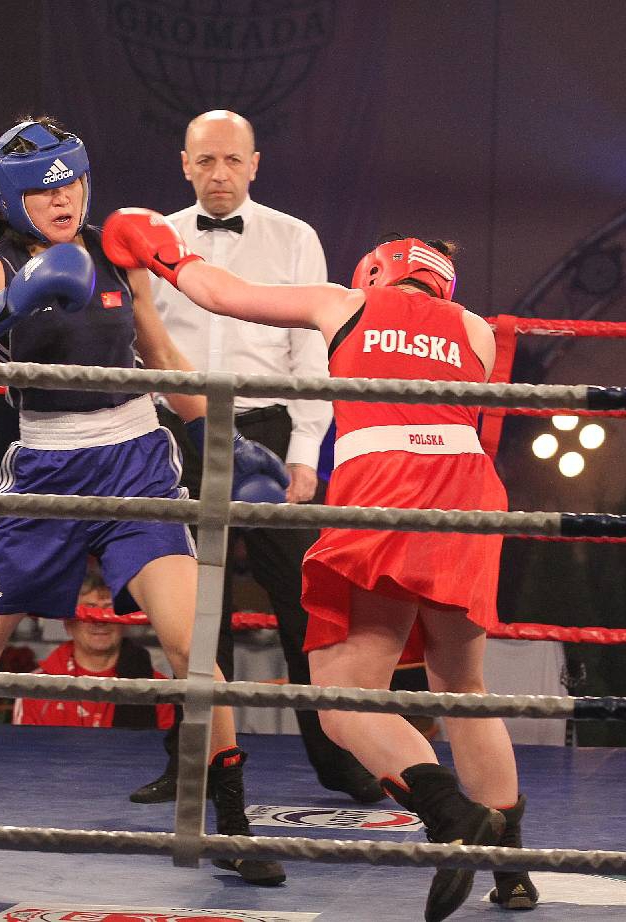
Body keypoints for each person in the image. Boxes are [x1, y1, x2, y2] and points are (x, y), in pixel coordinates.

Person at [0, 118, 288, 886]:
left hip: (136, 465)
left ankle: (235, 827)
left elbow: (161, 354)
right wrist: (14, 301)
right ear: (14, 199)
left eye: (72, 182)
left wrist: (225, 439)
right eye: (45, 190)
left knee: (191, 650)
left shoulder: (117, 250)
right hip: (46, 473)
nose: (64, 198)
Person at [103, 212, 534, 921]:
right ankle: (512, 869)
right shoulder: (477, 330)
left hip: (387, 485)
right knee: (462, 686)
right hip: (470, 491)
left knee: (341, 698)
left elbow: (222, 294)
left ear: (379, 269)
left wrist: (162, 255)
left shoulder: (346, 302)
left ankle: (452, 814)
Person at [134, 108, 380, 806]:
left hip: (269, 431)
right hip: (181, 431)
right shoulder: (153, 238)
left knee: (304, 603)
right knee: (191, 607)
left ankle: (340, 759)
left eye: (232, 159)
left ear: (255, 165)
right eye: (206, 160)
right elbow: (140, 343)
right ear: (185, 164)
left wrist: (305, 451)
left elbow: (313, 351)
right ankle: (194, 763)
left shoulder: (294, 238)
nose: (220, 173)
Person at [14, 570, 176, 729]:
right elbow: (24, 746)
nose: (100, 620)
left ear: (125, 622)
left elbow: (168, 746)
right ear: (68, 624)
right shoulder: (34, 686)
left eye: (109, 609)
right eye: (89, 610)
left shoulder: (159, 688)